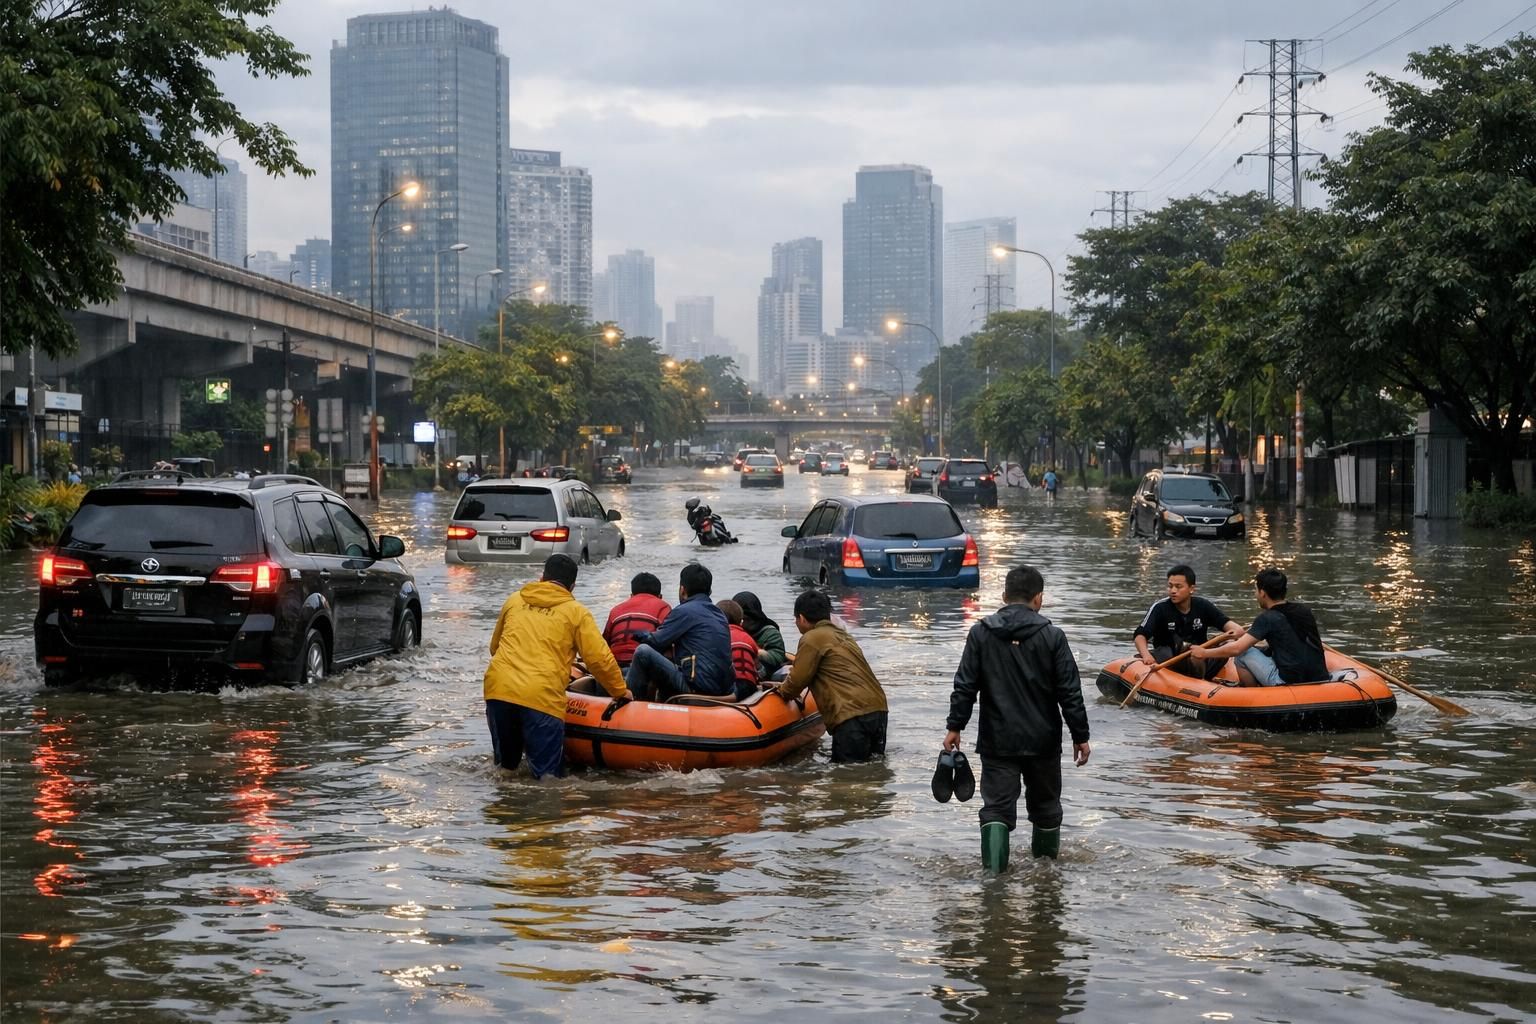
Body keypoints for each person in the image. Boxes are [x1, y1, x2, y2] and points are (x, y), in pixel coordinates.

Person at [942, 565, 1091, 871]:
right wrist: (1080, 735)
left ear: (1004, 596)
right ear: (1039, 598)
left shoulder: (981, 633)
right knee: (1046, 808)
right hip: (1043, 741)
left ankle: (993, 881)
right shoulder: (1053, 636)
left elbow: (965, 685)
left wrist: (955, 726)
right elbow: (1070, 692)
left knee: (996, 809)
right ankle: (1046, 879)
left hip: (998, 740)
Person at [482, 553, 629, 779]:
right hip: (541, 697)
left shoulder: (514, 600)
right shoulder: (576, 612)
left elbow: (495, 647)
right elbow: (599, 659)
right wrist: (620, 691)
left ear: (542, 578)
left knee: (506, 770)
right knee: (548, 780)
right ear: (572, 586)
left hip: (498, 690)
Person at [774, 590, 889, 762]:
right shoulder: (844, 636)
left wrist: (779, 691)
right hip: (878, 709)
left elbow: (796, 682)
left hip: (851, 715)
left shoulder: (811, 638)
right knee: (873, 767)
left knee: (847, 773)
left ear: (802, 618)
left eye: (795, 619)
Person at [1189, 567, 1329, 687]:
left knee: (1243, 654)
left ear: (1262, 593)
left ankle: (1251, 692)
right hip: (1320, 678)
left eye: (1255, 590)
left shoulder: (1267, 618)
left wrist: (1204, 653)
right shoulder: (1304, 611)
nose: (1255, 594)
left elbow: (1237, 649)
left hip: (1288, 682)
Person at [625, 562, 733, 700]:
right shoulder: (720, 614)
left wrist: (635, 633)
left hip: (697, 688)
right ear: (709, 592)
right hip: (722, 690)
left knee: (643, 652)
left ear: (682, 590)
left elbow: (656, 641)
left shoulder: (684, 611)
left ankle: (630, 702)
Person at [1133, 564, 1244, 680]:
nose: (1173, 591)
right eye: (1170, 586)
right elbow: (1140, 635)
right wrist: (1146, 655)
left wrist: (1234, 634)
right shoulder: (1160, 608)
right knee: (1174, 650)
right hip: (1171, 659)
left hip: (1200, 658)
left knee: (1227, 644)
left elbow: (1235, 629)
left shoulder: (1203, 606)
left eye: (1178, 587)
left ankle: (1203, 680)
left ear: (1191, 589)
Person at [603, 572, 671, 668]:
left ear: (631, 596)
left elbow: (604, 644)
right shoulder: (664, 607)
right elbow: (669, 640)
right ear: (660, 597)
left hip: (615, 666)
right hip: (644, 667)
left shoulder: (615, 610)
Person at [732, 590, 788, 681]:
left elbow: (778, 657)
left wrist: (756, 652)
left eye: (748, 618)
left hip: (766, 671)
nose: (744, 622)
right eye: (742, 618)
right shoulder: (731, 630)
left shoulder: (770, 632)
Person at [717, 599, 761, 701]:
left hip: (730, 685)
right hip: (750, 685)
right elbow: (757, 663)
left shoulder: (718, 636)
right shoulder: (748, 637)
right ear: (741, 622)